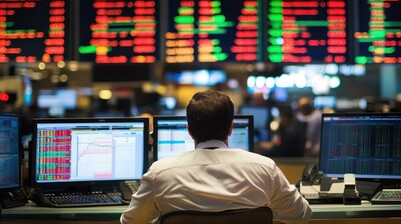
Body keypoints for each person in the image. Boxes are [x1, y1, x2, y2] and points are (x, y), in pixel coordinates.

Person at [120, 90, 312, 224]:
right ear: (230, 128)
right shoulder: (265, 168)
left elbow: (131, 221)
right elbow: (300, 215)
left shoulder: (160, 173)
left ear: (189, 130)